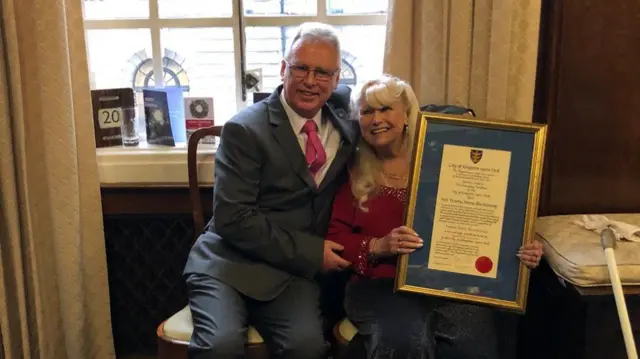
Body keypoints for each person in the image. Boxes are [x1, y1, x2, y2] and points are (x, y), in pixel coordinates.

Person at [326, 74, 544, 359]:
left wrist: (522, 248)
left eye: (385, 108)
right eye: (367, 111)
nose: (376, 118)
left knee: (474, 341)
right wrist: (379, 245)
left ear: (406, 115)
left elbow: (488, 219)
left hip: (446, 282)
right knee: (407, 341)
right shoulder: (350, 169)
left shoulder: (447, 162)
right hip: (379, 286)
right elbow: (336, 241)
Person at [183, 22, 360, 359]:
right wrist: (312, 252)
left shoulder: (347, 120)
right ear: (283, 69)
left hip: (290, 274)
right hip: (229, 263)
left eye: (323, 72)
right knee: (220, 347)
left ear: (338, 79)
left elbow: (390, 114)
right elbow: (233, 219)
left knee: (306, 347)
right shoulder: (244, 130)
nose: (310, 81)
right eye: (301, 68)